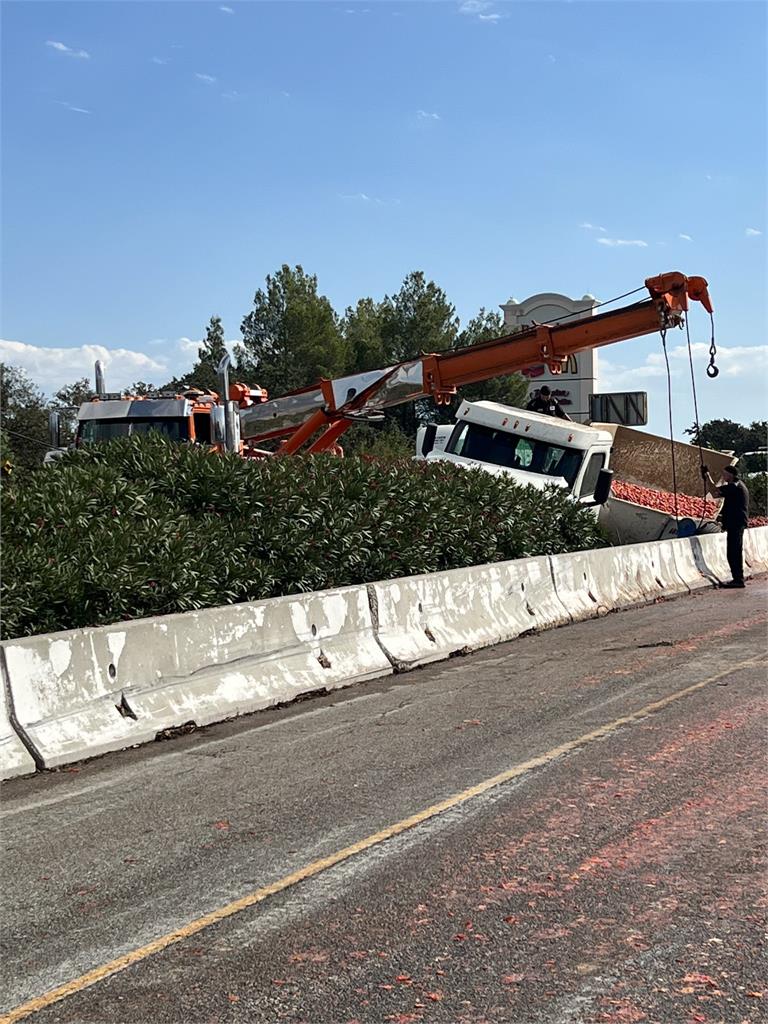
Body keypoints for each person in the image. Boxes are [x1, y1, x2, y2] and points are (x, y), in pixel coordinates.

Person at [701, 463, 749, 588]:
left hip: (736, 523)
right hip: (735, 523)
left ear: (731, 475)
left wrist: (707, 476)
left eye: (725, 474)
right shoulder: (736, 485)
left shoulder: (734, 486)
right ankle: (737, 578)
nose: (723, 476)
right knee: (734, 551)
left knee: (734, 552)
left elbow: (714, 492)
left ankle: (738, 580)